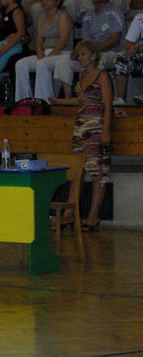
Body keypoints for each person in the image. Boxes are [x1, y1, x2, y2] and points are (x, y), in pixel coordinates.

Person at [49, 39, 113, 232]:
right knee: (77, 173)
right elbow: (81, 100)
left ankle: (93, 217)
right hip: (80, 127)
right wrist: (60, 101)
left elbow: (107, 105)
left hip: (96, 128)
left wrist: (106, 132)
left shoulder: (102, 76)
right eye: (78, 54)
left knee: (97, 174)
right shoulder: (82, 75)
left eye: (83, 54)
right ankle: (69, 214)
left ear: (93, 56)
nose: (80, 58)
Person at [52, 0, 124, 98]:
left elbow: (115, 40)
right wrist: (77, 51)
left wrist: (92, 51)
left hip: (113, 53)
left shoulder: (114, 12)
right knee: (64, 60)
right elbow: (85, 42)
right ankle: (68, 100)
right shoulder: (88, 16)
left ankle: (94, 99)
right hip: (91, 53)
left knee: (96, 61)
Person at [14, 0, 73, 102]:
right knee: (21, 64)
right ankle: (24, 100)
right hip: (46, 52)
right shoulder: (41, 18)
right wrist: (41, 56)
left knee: (42, 64)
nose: (45, 1)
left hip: (63, 53)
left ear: (58, 1)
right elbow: (39, 41)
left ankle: (44, 101)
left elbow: (63, 41)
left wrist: (45, 59)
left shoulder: (63, 16)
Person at [114, 12, 143, 104]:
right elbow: (129, 43)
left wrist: (140, 47)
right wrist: (132, 49)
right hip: (140, 53)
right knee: (122, 57)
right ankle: (121, 100)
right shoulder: (140, 18)